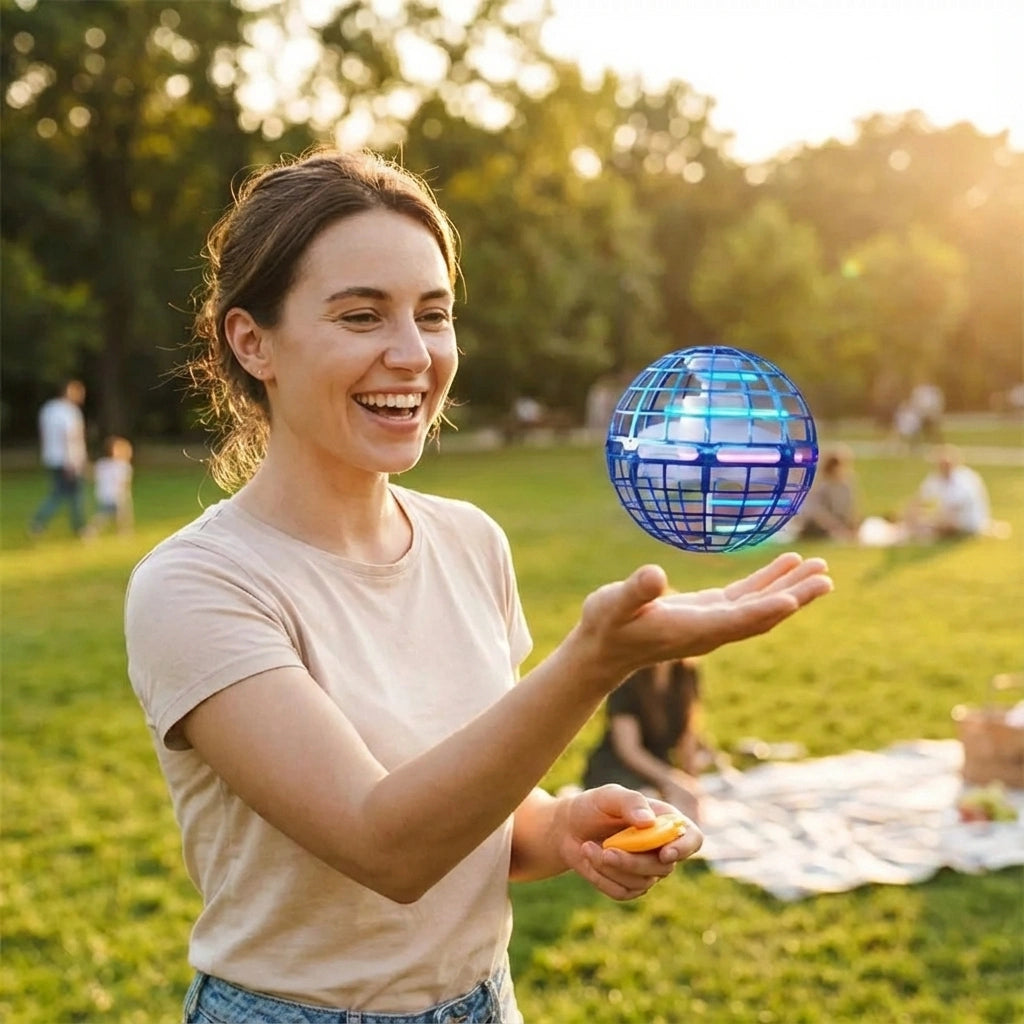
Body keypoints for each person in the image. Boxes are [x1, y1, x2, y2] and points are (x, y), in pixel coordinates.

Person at [124, 148, 832, 1024]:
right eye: (360, 316)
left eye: (433, 314)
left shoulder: (470, 541)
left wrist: (562, 827)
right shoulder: (197, 587)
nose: (412, 355)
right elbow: (388, 846)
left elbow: (474, 819)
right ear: (252, 341)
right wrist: (592, 664)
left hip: (484, 1002)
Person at [582, 658, 712, 822]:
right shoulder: (628, 677)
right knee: (647, 806)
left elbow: (687, 734)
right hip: (618, 768)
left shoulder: (686, 672)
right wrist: (672, 781)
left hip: (658, 764)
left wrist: (691, 782)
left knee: (687, 808)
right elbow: (629, 750)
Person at [28, 379, 88, 538]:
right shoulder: (69, 411)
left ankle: (38, 523)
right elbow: (70, 437)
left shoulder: (48, 409)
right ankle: (79, 528)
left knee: (58, 493)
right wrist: (73, 461)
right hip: (68, 460)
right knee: (74, 495)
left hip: (51, 458)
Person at [904, 444, 991, 539]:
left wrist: (932, 518)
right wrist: (911, 514)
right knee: (921, 522)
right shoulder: (936, 477)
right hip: (948, 517)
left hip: (969, 520)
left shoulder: (966, 479)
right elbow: (920, 497)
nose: (943, 467)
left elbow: (956, 508)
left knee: (933, 524)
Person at [791, 445, 860, 542]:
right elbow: (818, 513)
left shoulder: (846, 486)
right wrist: (834, 526)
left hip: (839, 522)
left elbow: (850, 509)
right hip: (822, 525)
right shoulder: (822, 486)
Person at [86, 436, 135, 536]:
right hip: (116, 496)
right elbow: (124, 483)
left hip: (103, 495)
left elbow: (93, 476)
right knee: (119, 515)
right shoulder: (123, 466)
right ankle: (123, 532)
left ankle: (122, 531)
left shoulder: (102, 464)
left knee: (106, 515)